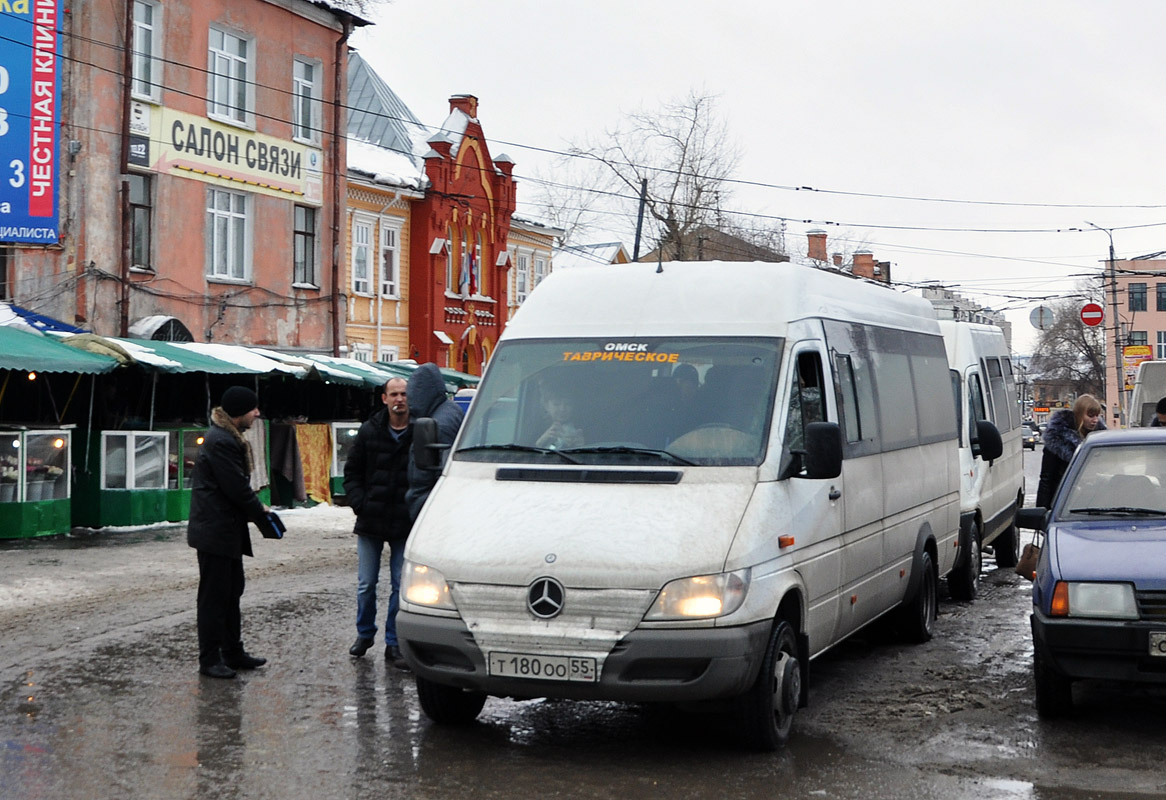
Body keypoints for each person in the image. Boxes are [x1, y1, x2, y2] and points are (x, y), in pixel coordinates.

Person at [187, 386, 269, 679]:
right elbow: (236, 489)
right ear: (239, 412)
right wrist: (261, 514)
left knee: (232, 591)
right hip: (215, 532)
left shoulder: (225, 437)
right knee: (214, 598)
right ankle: (210, 659)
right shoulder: (222, 441)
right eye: (253, 409)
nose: (257, 414)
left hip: (224, 530)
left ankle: (232, 652)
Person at [343, 377, 413, 668]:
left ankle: (394, 643)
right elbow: (352, 472)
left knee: (400, 585)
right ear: (384, 398)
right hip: (371, 518)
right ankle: (364, 634)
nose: (400, 399)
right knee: (366, 584)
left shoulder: (419, 431)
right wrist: (359, 502)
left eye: (404, 394)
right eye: (394, 394)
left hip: (403, 520)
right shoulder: (370, 430)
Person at [405, 363, 465, 521]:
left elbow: (426, 474)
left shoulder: (437, 424)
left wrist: (416, 510)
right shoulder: (451, 410)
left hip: (429, 506)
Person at [1035, 393, 1105, 508]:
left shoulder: (1101, 440)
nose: (1095, 420)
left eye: (1097, 416)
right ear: (1080, 414)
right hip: (1064, 504)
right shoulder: (1057, 440)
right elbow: (1046, 479)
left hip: (1098, 503)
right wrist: (1042, 511)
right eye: (1091, 415)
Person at [535, 384, 584, 450]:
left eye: (568, 404)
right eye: (556, 404)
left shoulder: (581, 428)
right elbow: (524, 452)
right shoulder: (536, 428)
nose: (562, 409)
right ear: (546, 406)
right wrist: (541, 441)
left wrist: (582, 446)